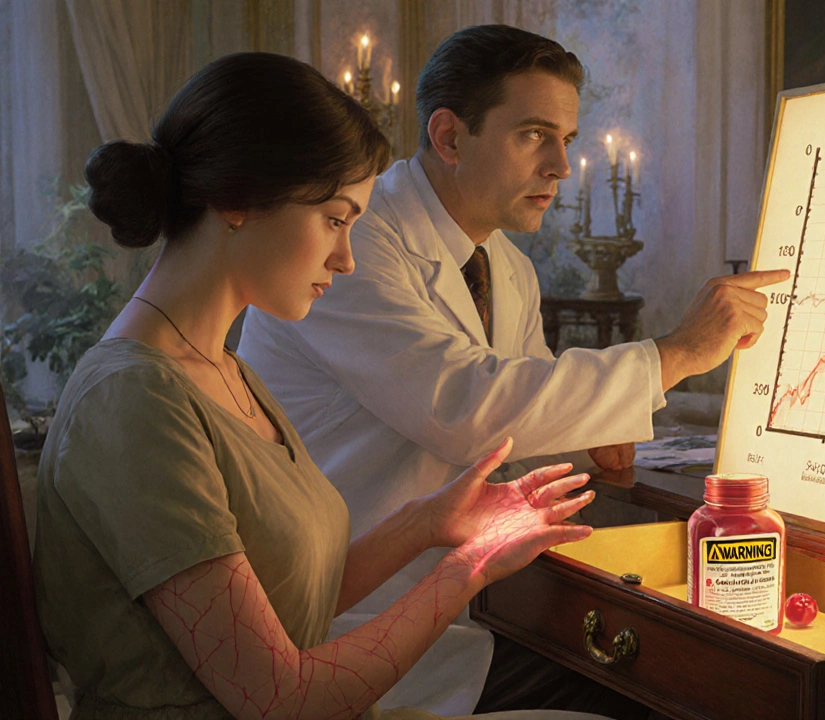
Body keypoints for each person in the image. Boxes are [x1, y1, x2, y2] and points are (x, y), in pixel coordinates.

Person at [236, 24, 789, 717]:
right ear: (449, 137)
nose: (560, 164)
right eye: (533, 134)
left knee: (684, 676)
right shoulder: (350, 241)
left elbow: (517, 423)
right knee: (671, 694)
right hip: (348, 630)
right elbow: (468, 407)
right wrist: (674, 354)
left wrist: (585, 432)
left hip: (464, 612)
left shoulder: (506, 267)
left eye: (568, 139)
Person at [33, 51, 604, 720]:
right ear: (238, 200)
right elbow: (281, 698)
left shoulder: (223, 369)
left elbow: (285, 596)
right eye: (335, 220)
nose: (347, 256)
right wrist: (466, 570)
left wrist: (431, 523)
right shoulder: (134, 398)